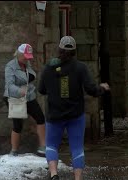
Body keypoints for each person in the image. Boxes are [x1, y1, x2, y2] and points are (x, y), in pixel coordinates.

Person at [38, 36, 110, 180]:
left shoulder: (49, 67)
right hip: (75, 115)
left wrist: (55, 86)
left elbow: (41, 90)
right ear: (74, 51)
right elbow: (91, 89)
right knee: (77, 147)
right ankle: (77, 178)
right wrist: (102, 88)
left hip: (54, 114)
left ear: (59, 49)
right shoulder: (80, 67)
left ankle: (54, 174)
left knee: (51, 145)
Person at [3, 43, 46, 156]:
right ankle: (14, 151)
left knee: (40, 118)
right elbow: (9, 85)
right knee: (18, 124)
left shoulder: (27, 64)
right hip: (15, 98)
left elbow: (30, 76)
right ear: (19, 54)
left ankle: (43, 147)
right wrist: (19, 91)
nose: (27, 59)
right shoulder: (10, 66)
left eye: (28, 57)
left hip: (29, 96)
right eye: (25, 56)